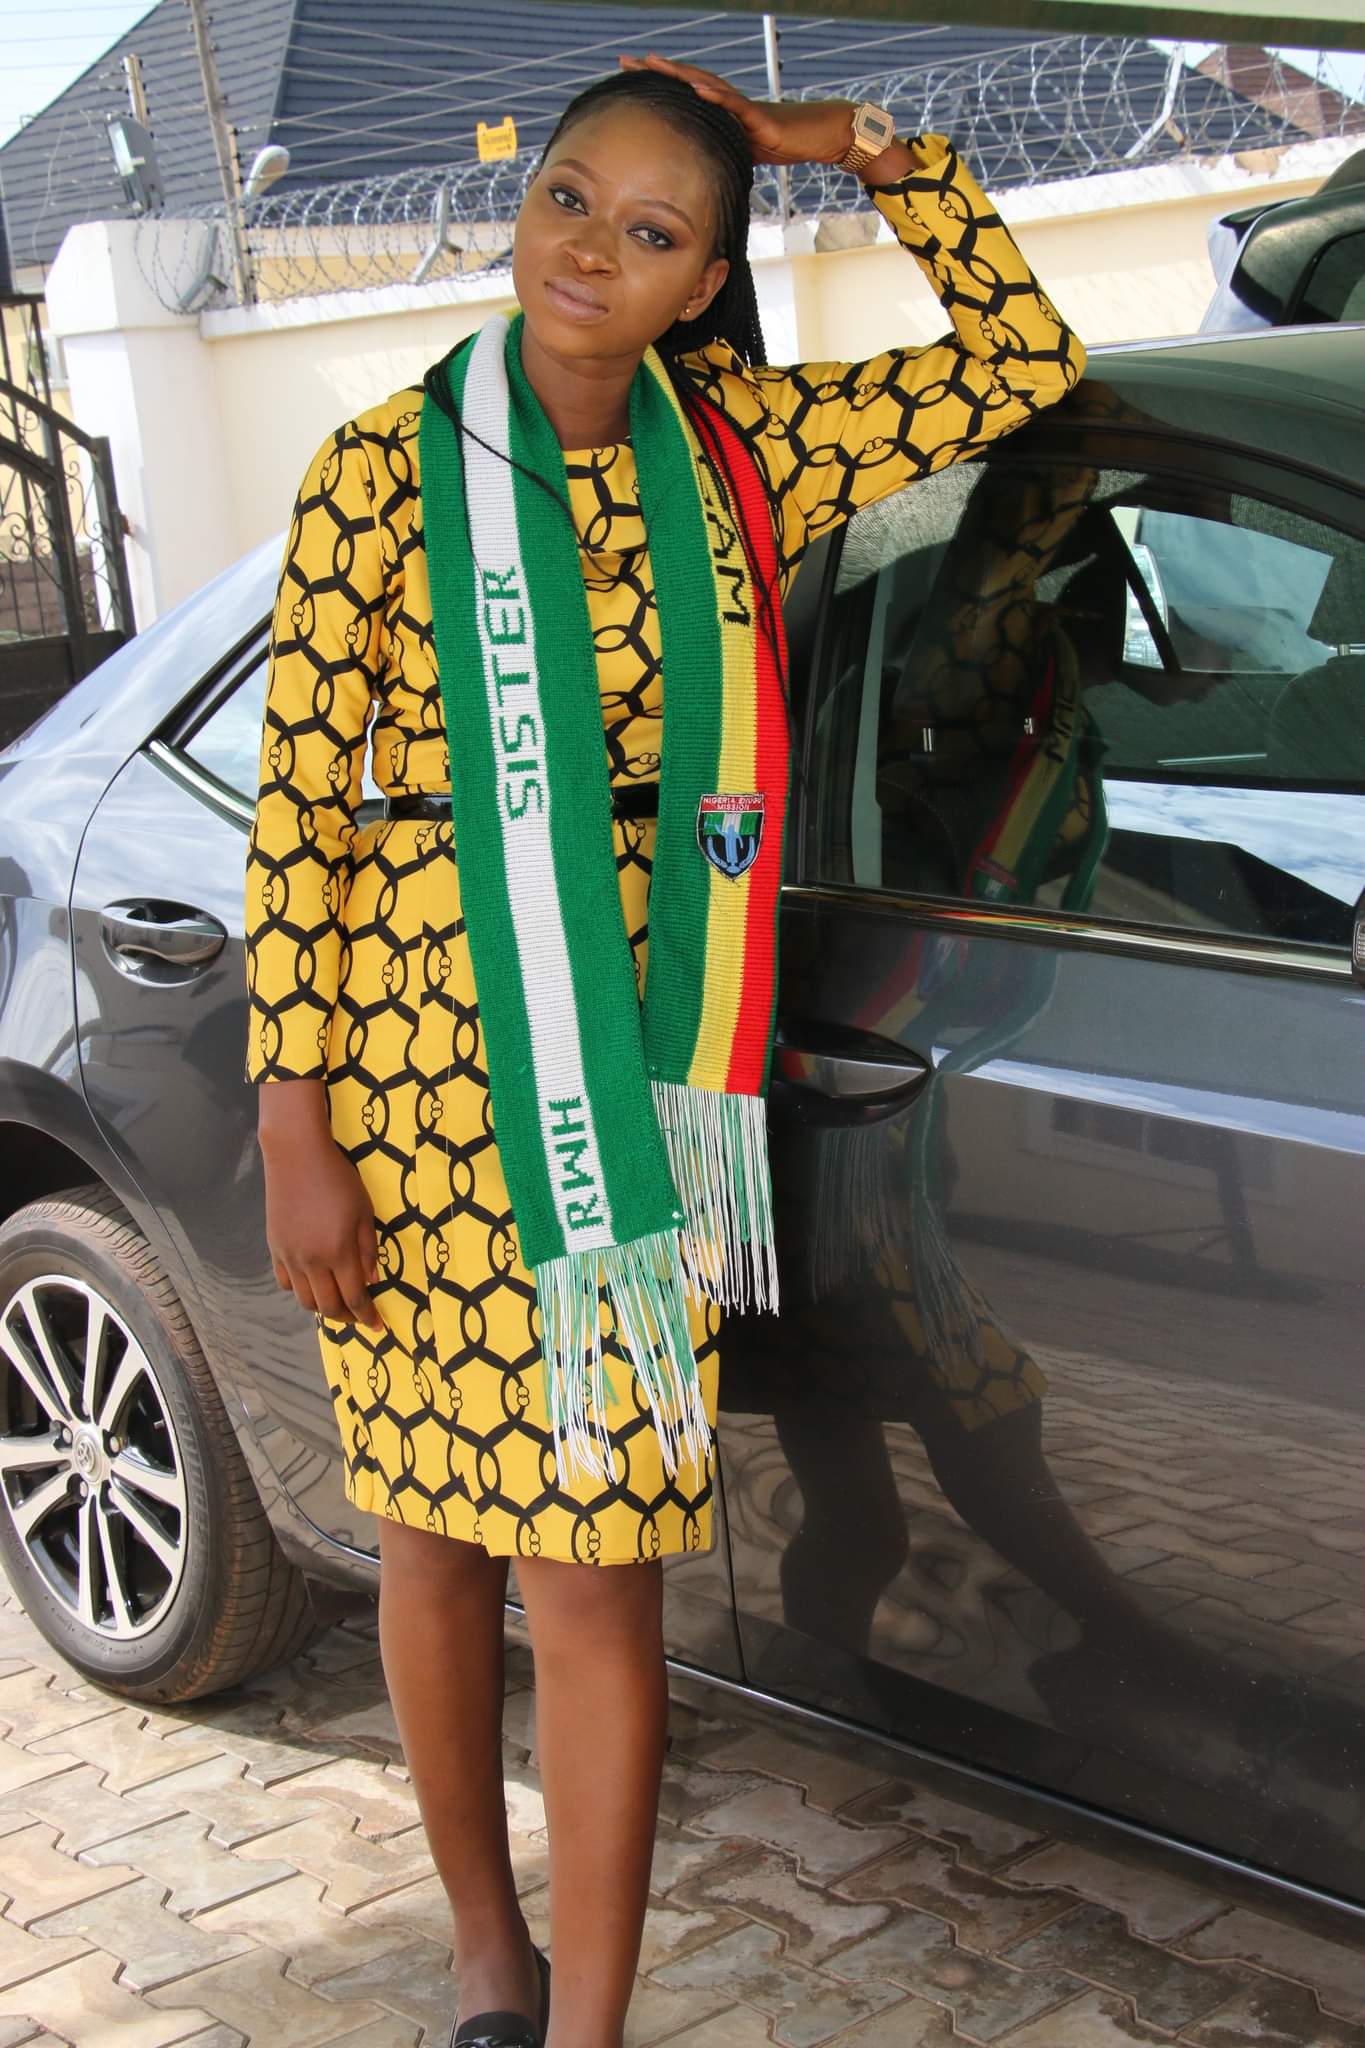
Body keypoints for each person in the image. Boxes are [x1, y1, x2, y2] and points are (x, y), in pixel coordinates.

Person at [245, 53, 1085, 2048]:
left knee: (599, 1563)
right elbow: (297, 811)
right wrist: (293, 1120)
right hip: (412, 1078)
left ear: (704, 281)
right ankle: (487, 1955)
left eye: (650, 231)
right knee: (433, 1538)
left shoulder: (746, 451)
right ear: (518, 201)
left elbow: (1021, 359)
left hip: (640, 1064)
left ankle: (591, 2026)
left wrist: (851, 152)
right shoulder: (377, 471)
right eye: (567, 199)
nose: (587, 253)